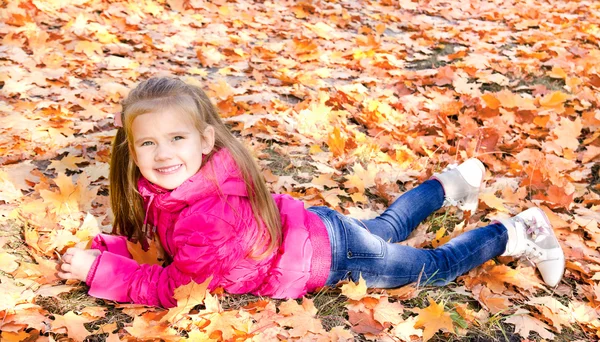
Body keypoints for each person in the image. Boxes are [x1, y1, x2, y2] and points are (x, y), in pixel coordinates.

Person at [57, 77, 565, 308]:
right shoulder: (179, 184)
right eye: (148, 142)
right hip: (315, 230)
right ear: (132, 147)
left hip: (327, 258)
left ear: (205, 140)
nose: (162, 153)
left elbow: (180, 288)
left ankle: (516, 232)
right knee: (385, 228)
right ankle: (453, 183)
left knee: (430, 268)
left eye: (176, 138)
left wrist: (103, 271)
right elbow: (173, 254)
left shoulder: (205, 212)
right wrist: (112, 247)